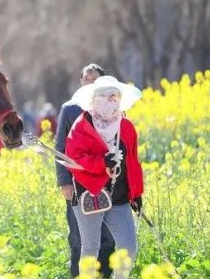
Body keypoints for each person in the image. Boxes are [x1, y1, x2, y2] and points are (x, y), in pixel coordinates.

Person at [65, 76, 144, 279]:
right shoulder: (81, 126)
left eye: (115, 96)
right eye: (105, 96)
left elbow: (133, 162)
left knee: (128, 247)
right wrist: (102, 162)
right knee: (91, 247)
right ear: (94, 99)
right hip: (89, 193)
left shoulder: (127, 127)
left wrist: (136, 194)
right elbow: (73, 160)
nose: (111, 101)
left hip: (119, 197)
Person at [55, 64, 115, 277]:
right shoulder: (69, 109)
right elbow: (60, 147)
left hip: (107, 182)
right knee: (78, 237)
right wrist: (64, 182)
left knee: (108, 237)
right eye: (86, 79)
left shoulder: (114, 107)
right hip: (77, 183)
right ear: (81, 82)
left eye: (94, 80)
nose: (90, 83)